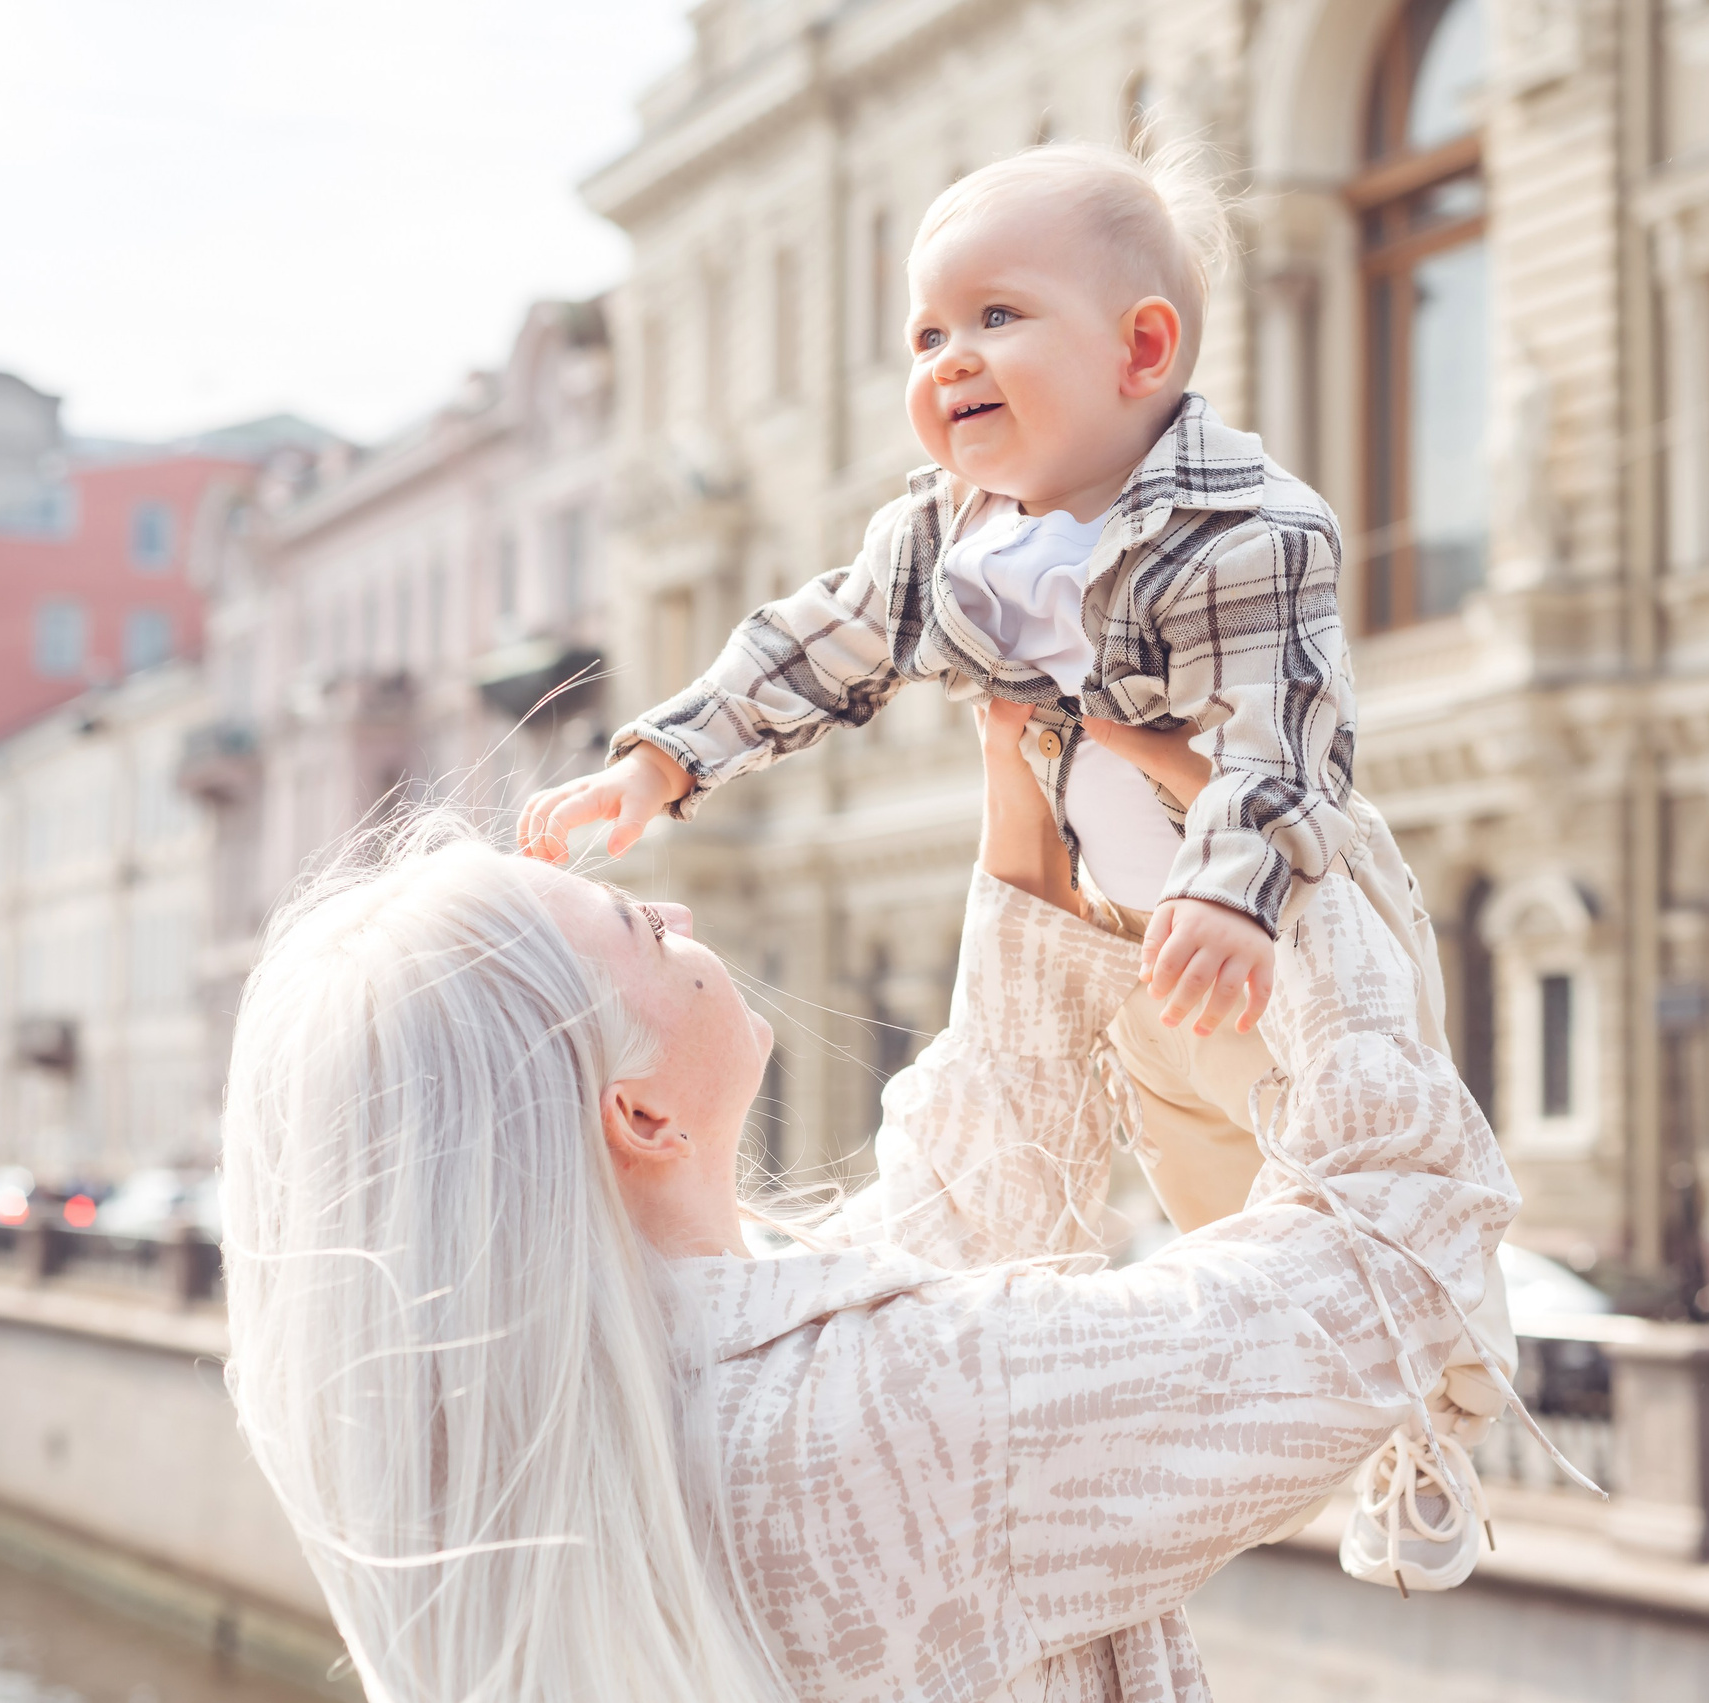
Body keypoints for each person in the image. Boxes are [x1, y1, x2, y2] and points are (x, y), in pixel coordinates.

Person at [517, 141, 1514, 1586]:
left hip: (1258, 885)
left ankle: (1427, 1417)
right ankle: (1000, 1339)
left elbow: (1287, 740)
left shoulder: (1251, 525)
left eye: (996, 318)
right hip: (1056, 895)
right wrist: (663, 760)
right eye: (927, 332)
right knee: (1051, 1116)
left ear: (1143, 349)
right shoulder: (939, 537)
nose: (948, 360)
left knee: (1337, 1099)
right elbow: (823, 642)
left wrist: (1233, 900)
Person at [221, 710, 1518, 1703]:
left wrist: (1027, 813)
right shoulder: (877, 1416)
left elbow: (955, 1215)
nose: (675, 910)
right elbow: (1394, 1253)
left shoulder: (598, 1408)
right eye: (635, 927)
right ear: (639, 1116)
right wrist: (1281, 846)